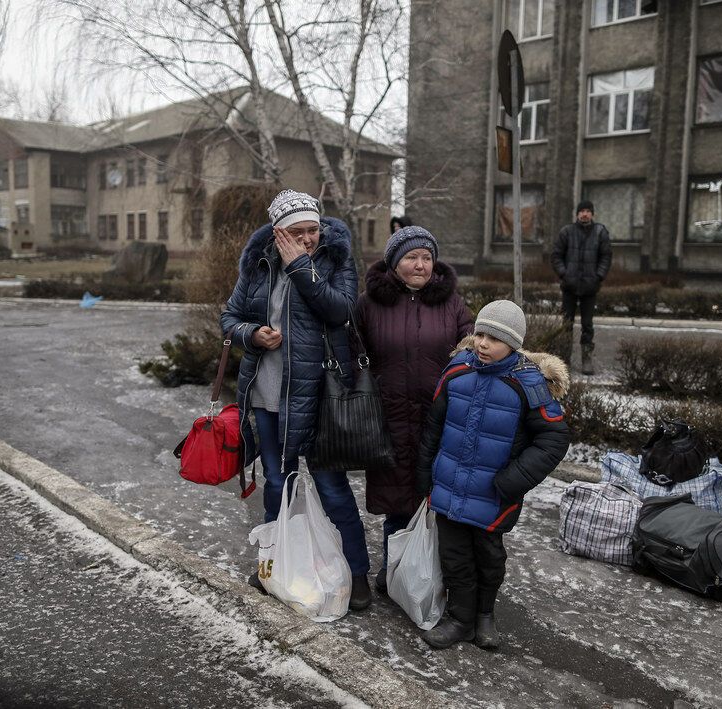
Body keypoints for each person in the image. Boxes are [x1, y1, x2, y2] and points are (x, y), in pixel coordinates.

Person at [219, 189, 372, 610]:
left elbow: (341, 311)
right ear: (277, 232)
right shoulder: (258, 263)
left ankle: (357, 573)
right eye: (296, 232)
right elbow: (229, 318)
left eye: (313, 230)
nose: (307, 238)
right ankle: (274, 566)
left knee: (332, 488)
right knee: (276, 484)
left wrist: (302, 267)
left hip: (321, 397)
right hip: (269, 395)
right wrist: (252, 334)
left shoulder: (335, 259)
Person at [415, 300, 571, 649]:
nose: (483, 344)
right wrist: (425, 475)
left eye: (494, 339)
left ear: (513, 344)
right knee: (454, 557)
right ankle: (459, 619)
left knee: (489, 558)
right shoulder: (457, 370)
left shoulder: (528, 383)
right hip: (449, 486)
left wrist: (512, 481)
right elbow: (433, 427)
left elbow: (554, 438)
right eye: (480, 334)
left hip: (493, 494)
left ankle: (485, 615)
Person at [355, 225, 473, 594]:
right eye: (411, 257)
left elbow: (472, 347)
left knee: (439, 497)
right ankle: (394, 569)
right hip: (388, 417)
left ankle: (434, 572)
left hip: (440, 418)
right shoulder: (369, 304)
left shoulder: (451, 303)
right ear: (394, 263)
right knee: (397, 500)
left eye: (426, 257)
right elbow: (354, 353)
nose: (420, 265)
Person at [550, 200, 613, 376]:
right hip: (569, 286)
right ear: (577, 214)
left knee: (587, 325)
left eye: (588, 211)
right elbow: (556, 256)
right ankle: (564, 359)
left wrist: (598, 276)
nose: (584, 214)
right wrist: (564, 274)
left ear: (592, 214)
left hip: (590, 287)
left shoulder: (600, 232)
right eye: (582, 211)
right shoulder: (567, 232)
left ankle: (587, 358)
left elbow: (606, 256)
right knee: (566, 324)